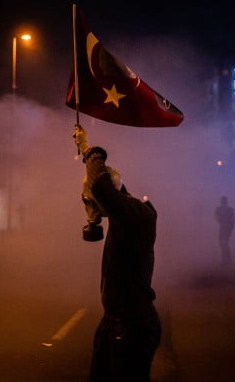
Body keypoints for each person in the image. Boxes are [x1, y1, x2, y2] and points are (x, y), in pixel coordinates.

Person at [73, 124, 161, 382]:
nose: (89, 206)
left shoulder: (136, 216)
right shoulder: (126, 215)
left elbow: (101, 185)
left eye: (89, 200)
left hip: (133, 327)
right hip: (115, 322)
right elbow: (104, 189)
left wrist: (88, 149)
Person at [214, 196, 235, 265]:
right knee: (224, 243)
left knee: (223, 243)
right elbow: (232, 220)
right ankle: (227, 259)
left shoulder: (220, 209)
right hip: (226, 228)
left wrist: (220, 220)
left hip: (225, 228)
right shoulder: (229, 209)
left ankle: (225, 260)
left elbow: (216, 217)